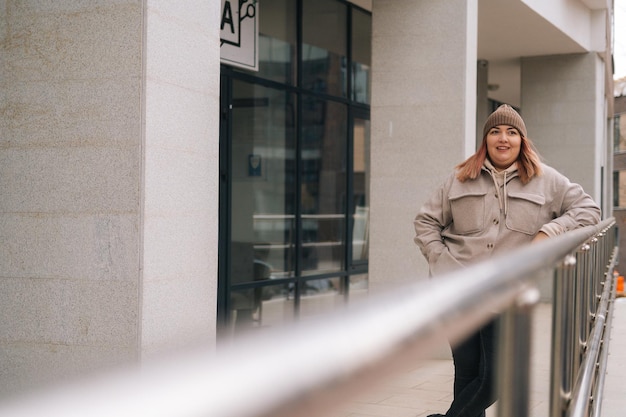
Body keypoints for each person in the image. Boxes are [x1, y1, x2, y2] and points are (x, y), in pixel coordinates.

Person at [413, 104, 601, 417]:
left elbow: (589, 211)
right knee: (467, 375)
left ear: (522, 140)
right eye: (495, 131)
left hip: (506, 291)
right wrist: (441, 260)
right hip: (457, 289)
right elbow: (425, 223)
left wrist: (549, 231)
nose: (504, 138)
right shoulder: (459, 178)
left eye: (512, 132)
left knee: (495, 380)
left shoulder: (546, 180)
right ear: (485, 139)